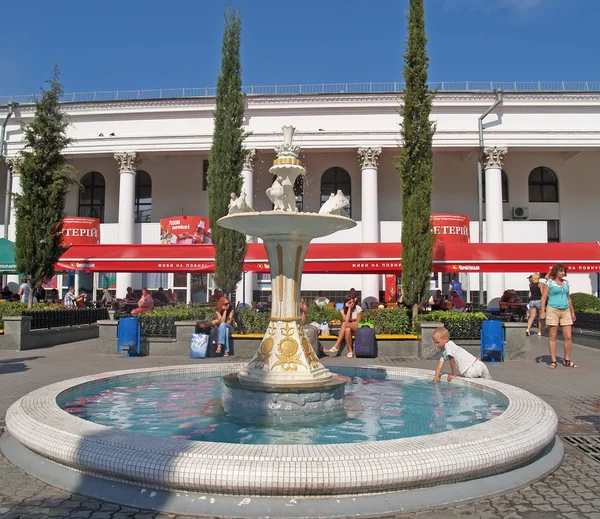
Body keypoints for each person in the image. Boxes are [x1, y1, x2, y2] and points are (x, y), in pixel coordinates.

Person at [540, 263, 577, 369]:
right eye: (561, 271)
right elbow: (543, 298)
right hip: (553, 310)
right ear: (556, 272)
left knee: (568, 337)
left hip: (565, 310)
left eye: (564, 271)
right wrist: (543, 311)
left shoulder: (566, 283)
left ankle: (567, 359)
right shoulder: (549, 283)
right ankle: (553, 360)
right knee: (553, 336)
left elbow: (568, 297)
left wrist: (572, 311)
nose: (563, 273)